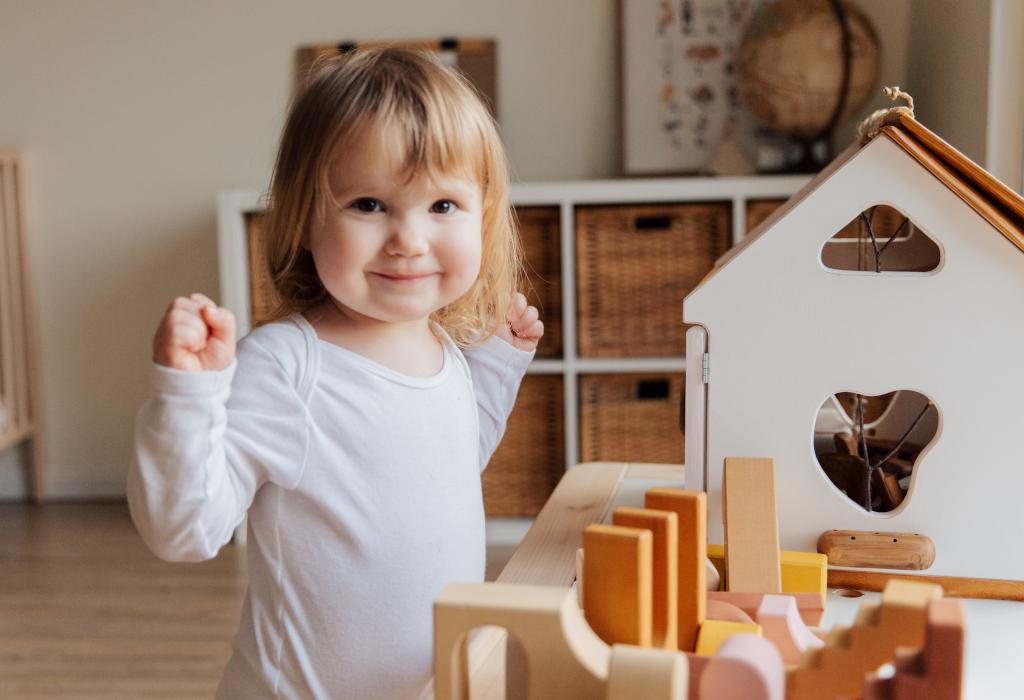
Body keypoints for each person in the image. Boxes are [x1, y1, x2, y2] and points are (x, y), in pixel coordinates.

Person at [128, 47, 543, 699]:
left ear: (484, 217)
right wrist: (188, 395)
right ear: (306, 218)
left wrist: (494, 367)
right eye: (370, 204)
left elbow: (452, 466)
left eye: (442, 206)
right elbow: (185, 530)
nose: (408, 238)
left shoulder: (445, 353)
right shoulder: (288, 367)